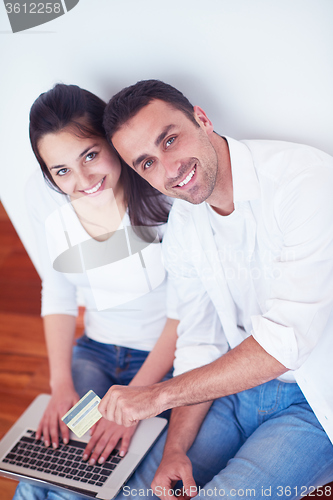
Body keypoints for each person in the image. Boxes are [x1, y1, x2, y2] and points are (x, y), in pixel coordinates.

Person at [98, 79, 333, 499]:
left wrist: (157, 396)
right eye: (147, 163)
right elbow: (199, 338)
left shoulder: (304, 180)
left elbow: (286, 342)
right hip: (235, 387)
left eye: (169, 140)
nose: (169, 170)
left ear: (201, 119)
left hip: (316, 399)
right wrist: (175, 449)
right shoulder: (185, 225)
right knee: (141, 491)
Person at [13, 84, 178, 500]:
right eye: (61, 170)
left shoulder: (163, 194)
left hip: (163, 365)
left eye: (90, 155)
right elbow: (59, 288)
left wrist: (137, 402)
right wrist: (61, 384)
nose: (83, 180)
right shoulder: (44, 198)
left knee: (90, 477)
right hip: (98, 353)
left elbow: (189, 312)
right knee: (43, 469)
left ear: (112, 142)